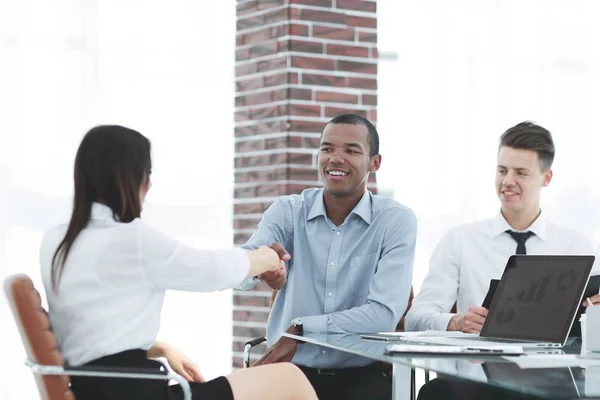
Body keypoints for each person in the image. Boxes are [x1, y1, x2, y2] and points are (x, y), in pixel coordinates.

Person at [40, 125, 318, 400]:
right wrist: (265, 258)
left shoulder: (57, 240)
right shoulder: (131, 241)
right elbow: (212, 270)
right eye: (147, 174)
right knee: (290, 378)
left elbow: (87, 334)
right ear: (134, 179)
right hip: (136, 392)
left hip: (96, 389)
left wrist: (161, 349)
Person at [405, 121, 598, 400]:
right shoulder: (460, 240)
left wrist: (595, 314)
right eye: (502, 170)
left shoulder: (577, 246)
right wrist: (455, 322)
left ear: (546, 177)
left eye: (521, 172)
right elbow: (415, 318)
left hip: (555, 384)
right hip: (477, 382)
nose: (508, 181)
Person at [239, 114, 418, 400]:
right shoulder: (287, 212)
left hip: (361, 377)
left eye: (351, 150)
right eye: (327, 148)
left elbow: (383, 315)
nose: (336, 158)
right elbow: (240, 275)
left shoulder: (396, 222)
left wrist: (301, 330)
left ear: (375, 162)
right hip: (288, 373)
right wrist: (262, 265)